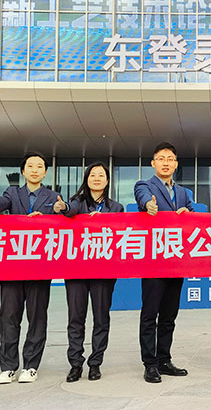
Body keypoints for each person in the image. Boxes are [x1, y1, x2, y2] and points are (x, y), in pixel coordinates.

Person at [0, 151, 67, 384]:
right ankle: (8, 366)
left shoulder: (53, 196)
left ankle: (31, 365)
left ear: (45, 172)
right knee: (9, 316)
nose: (34, 169)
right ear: (23, 171)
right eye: (30, 166)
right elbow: (0, 205)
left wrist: (54, 215)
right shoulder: (13, 193)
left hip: (40, 267)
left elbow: (61, 224)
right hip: (13, 265)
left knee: (37, 316)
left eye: (39, 166)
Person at [134, 142, 193, 384]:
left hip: (176, 262)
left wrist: (188, 215)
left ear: (176, 164)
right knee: (150, 314)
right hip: (154, 263)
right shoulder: (144, 185)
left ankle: (164, 359)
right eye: (161, 158)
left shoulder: (183, 192)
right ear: (153, 163)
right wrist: (148, 205)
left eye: (170, 158)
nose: (166, 162)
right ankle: (149, 364)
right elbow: (143, 199)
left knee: (169, 315)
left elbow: (192, 216)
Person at [62, 162, 123, 383]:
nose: (97, 178)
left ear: (107, 181)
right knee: (76, 318)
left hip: (103, 272)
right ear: (86, 179)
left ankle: (95, 363)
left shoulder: (116, 208)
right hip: (76, 270)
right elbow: (69, 212)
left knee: (101, 318)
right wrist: (63, 209)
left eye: (101, 175)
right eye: (92, 175)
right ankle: (75, 364)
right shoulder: (76, 203)